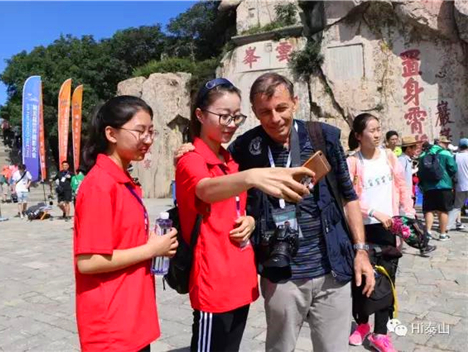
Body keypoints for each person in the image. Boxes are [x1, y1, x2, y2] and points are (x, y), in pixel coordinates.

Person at [175, 73, 374, 352]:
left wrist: (361, 251)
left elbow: (348, 196)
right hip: (281, 273)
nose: (275, 118)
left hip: (333, 268)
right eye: (265, 112)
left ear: (295, 102)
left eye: (281, 108)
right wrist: (189, 146)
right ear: (255, 113)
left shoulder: (322, 137)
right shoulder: (244, 149)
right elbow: (216, 184)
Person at [176, 78, 314, 352]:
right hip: (212, 283)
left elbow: (240, 206)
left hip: (239, 279)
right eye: (223, 116)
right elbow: (204, 190)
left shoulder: (230, 161)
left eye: (236, 116)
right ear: (200, 115)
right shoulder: (191, 159)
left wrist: (250, 220)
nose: (231, 123)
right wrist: (252, 176)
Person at [74, 96, 178, 352]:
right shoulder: (100, 185)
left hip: (131, 314)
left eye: (151, 131)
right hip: (112, 325)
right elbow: (88, 261)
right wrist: (153, 249)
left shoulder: (122, 181)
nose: (148, 139)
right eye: (140, 131)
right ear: (111, 133)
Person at [347, 113, 416, 352]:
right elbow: (349, 200)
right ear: (358, 135)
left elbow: (401, 185)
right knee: (362, 281)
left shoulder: (388, 156)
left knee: (388, 280)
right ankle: (363, 324)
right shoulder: (352, 162)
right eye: (371, 130)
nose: (377, 135)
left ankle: (381, 333)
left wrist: (408, 213)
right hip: (362, 228)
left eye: (379, 129)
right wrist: (375, 212)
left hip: (389, 227)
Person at [418, 135, 457, 241]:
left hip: (428, 187)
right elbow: (453, 168)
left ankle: (428, 232)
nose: (447, 145)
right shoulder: (446, 153)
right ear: (440, 143)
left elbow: (420, 171)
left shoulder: (423, 155)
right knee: (443, 210)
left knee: (429, 210)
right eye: (446, 143)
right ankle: (443, 234)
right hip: (444, 185)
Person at [448, 138, 468, 230]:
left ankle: (447, 227)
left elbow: (452, 171)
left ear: (459, 147)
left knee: (456, 207)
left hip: (460, 185)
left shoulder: (455, 156)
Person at [398, 135, 420, 204]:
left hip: (408, 193)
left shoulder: (407, 159)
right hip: (403, 195)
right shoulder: (402, 159)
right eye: (414, 148)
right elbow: (400, 176)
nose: (415, 150)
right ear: (408, 149)